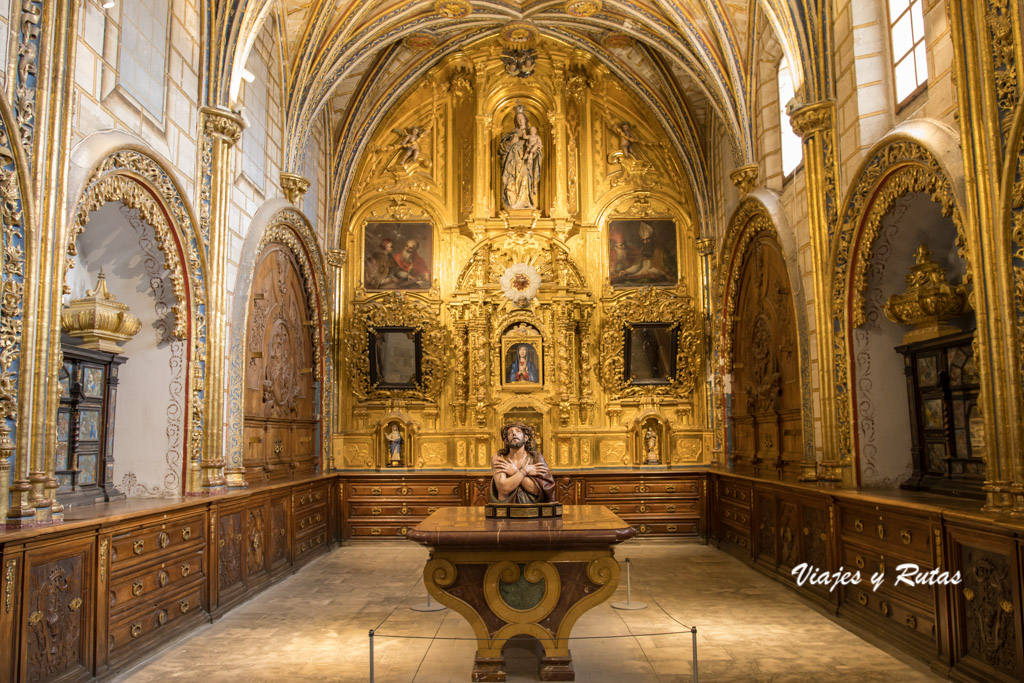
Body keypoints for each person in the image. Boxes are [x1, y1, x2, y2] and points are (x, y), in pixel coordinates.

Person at [490, 422, 555, 503]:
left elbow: (537, 490)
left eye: (518, 431)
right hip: (506, 510)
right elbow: (503, 489)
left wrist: (515, 472)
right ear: (506, 441)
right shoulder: (499, 458)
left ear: (526, 438)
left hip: (532, 510)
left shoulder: (535, 458)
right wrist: (525, 471)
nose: (514, 433)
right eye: (510, 433)